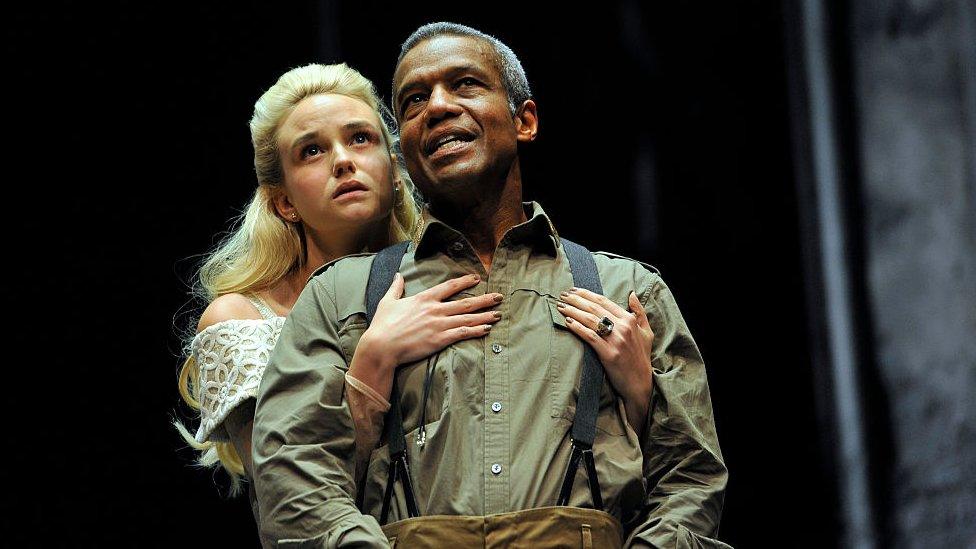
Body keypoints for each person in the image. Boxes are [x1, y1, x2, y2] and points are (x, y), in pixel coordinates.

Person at [253, 23, 729, 548]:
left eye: (464, 85)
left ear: (524, 121)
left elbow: (690, 479)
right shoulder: (339, 298)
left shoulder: (627, 289)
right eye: (413, 101)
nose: (436, 107)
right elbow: (292, 480)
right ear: (405, 154)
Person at [174, 62, 504, 547]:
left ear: (395, 169)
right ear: (283, 201)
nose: (343, 161)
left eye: (361, 139)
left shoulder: (456, 280)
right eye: (312, 151)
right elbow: (287, 498)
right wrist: (373, 360)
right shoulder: (243, 320)